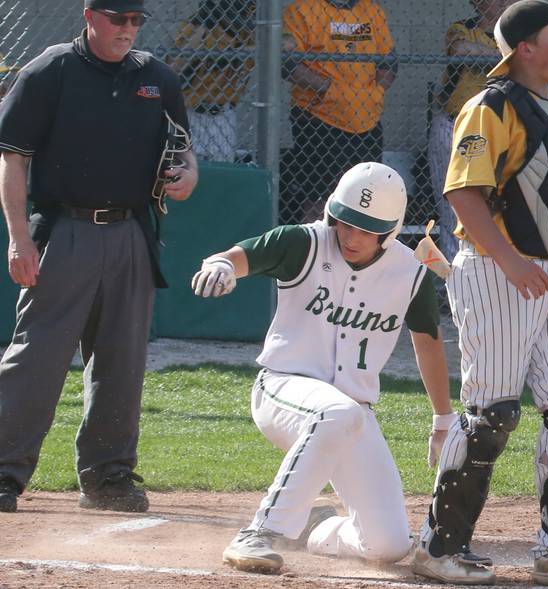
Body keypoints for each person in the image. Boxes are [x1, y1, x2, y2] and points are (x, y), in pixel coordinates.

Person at [409, 2, 548, 587]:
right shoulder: (490, 105)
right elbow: (464, 194)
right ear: (524, 49)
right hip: (495, 270)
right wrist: (509, 262)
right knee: (491, 414)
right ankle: (439, 546)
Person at [191, 161, 454, 574]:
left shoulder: (410, 273)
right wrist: (221, 266)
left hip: (353, 412)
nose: (351, 236)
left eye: (367, 229)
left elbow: (428, 342)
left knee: (386, 544)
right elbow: (237, 257)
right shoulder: (304, 243)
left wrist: (443, 417)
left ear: (390, 232)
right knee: (337, 412)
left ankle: (317, 528)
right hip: (283, 387)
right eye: (346, 223)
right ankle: (260, 533)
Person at [0, 0, 198, 514]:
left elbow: (184, 154)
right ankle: (3, 472)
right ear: (91, 16)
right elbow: (13, 158)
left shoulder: (157, 77)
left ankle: (108, 478)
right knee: (36, 357)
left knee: (121, 360)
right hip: (63, 229)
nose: (128, 30)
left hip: (131, 231)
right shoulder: (50, 70)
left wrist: (188, 177)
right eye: (118, 19)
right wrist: (18, 238)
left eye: (136, 21)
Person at [280, 0, 396, 224]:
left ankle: (355, 253)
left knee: (365, 196)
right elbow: (289, 65)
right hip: (319, 119)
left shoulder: (371, 11)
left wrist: (375, 92)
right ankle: (313, 249)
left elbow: (390, 61)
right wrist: (329, 89)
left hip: (367, 120)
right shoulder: (302, 9)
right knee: (317, 197)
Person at [428, 0, 507, 262]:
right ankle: (454, 274)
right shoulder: (462, 28)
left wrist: (491, 56)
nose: (501, 3)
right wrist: (507, 59)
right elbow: (461, 50)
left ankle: (487, 272)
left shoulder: (515, 36)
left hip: (494, 132)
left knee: (495, 207)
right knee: (453, 207)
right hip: (453, 125)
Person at [171, 0, 255, 162]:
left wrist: (233, 51)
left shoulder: (249, 30)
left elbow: (279, 46)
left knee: (222, 177)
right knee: (184, 174)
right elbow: (174, 67)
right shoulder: (197, 25)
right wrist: (202, 29)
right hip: (190, 114)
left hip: (223, 117)